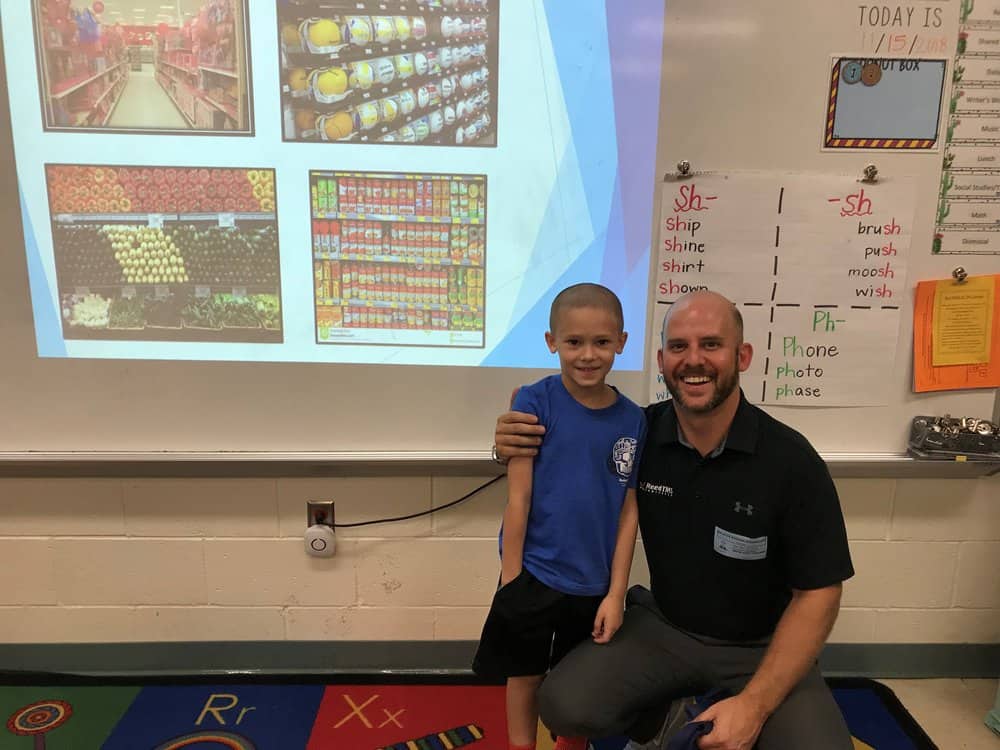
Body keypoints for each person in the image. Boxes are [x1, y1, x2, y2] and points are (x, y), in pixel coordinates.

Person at [493, 290, 855, 750]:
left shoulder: (791, 460)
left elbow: (819, 593)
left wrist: (755, 705)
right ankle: (675, 721)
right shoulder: (638, 434)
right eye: (680, 347)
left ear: (742, 355)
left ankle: (736, 714)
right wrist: (507, 446)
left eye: (711, 344)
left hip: (760, 648)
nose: (694, 360)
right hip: (666, 631)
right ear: (662, 360)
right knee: (564, 704)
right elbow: (570, 460)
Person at [473, 283, 647, 750]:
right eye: (574, 342)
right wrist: (512, 580)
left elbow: (629, 512)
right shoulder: (534, 401)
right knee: (525, 674)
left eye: (602, 342)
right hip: (533, 574)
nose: (588, 355)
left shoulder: (634, 419)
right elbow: (519, 496)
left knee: (575, 687)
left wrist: (615, 593)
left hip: (593, 585)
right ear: (552, 342)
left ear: (622, 343)